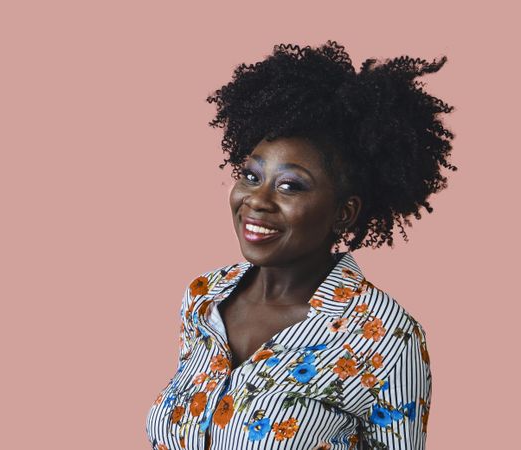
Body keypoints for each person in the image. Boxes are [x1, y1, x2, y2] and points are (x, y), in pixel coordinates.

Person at [145, 41, 456, 450]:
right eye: (252, 176)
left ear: (344, 213)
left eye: (289, 186)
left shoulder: (386, 335)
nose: (257, 200)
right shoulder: (203, 298)